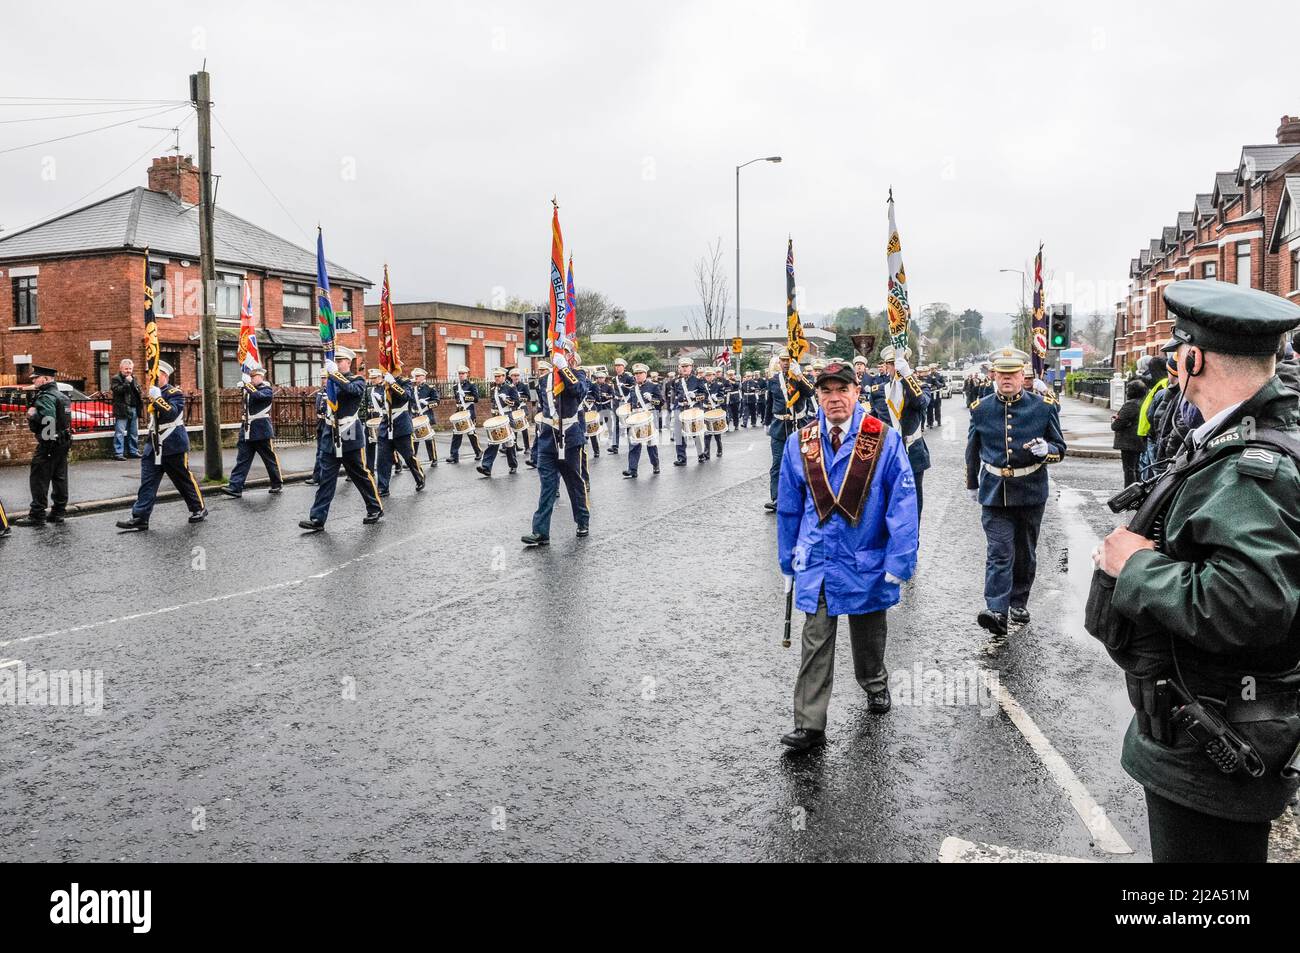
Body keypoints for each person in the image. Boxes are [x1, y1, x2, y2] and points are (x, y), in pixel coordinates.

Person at [1093, 279, 1300, 863]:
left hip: (1214, 742)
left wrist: (1133, 565)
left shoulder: (1253, 467)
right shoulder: (1236, 441)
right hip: (1203, 729)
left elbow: (1248, 604)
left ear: (1191, 358)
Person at [776, 361, 920, 751]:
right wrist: (787, 561)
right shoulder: (799, 442)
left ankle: (874, 683)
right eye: (826, 391)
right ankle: (809, 724)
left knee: (869, 633)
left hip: (865, 558)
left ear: (857, 392)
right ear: (818, 396)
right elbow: (789, 507)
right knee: (815, 638)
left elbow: (903, 503)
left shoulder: (883, 439)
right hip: (818, 561)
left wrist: (899, 561)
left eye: (843, 390)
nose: (834, 398)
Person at [965, 347, 1065, 635]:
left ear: (1023, 375)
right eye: (1002, 374)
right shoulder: (981, 409)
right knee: (999, 551)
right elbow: (972, 451)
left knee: (1024, 552)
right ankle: (996, 609)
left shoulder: (1043, 407)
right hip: (995, 491)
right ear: (994, 375)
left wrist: (1048, 450)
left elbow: (1060, 448)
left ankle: (1018, 601)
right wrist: (972, 483)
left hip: (1030, 490)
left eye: (1013, 374)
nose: (1007, 378)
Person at [299, 346, 384, 531]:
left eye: (340, 361)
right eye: (334, 361)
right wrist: (332, 376)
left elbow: (352, 390)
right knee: (326, 478)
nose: (337, 364)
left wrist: (334, 374)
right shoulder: (330, 382)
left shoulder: (358, 379)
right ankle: (317, 519)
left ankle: (375, 508)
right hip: (331, 432)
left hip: (349, 431)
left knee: (360, 474)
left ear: (349, 362)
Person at [115, 360, 207, 531]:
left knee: (183, 480)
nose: (152, 379)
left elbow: (172, 413)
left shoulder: (175, 393)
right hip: (154, 445)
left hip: (173, 443)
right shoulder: (153, 392)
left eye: (155, 376)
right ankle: (140, 517)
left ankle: (198, 508)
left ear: (164, 376)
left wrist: (157, 399)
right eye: (151, 376)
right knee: (147, 482)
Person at [522, 354, 590, 545]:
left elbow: (579, 391)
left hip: (570, 436)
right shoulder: (543, 380)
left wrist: (564, 370)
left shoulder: (578, 375)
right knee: (547, 486)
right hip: (548, 439)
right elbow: (543, 409)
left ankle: (582, 521)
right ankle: (540, 531)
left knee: (575, 482)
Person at [14, 364, 72, 527]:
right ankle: (58, 512)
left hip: (49, 443)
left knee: (39, 478)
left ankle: (37, 515)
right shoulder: (62, 396)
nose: (33, 380)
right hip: (63, 441)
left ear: (46, 379)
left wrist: (33, 415)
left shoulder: (46, 396)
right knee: (60, 477)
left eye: (36, 378)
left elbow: (49, 422)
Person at [880, 345, 931, 519]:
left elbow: (921, 403)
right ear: (886, 366)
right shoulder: (879, 391)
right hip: (886, 454)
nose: (894, 367)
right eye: (891, 364)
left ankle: (912, 542)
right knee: (887, 503)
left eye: (898, 363)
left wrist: (907, 377)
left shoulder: (920, 387)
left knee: (913, 505)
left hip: (912, 452)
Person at [221, 364, 283, 499]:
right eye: (250, 376)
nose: (251, 379)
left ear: (260, 377)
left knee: (269, 459)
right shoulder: (250, 390)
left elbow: (259, 397)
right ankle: (235, 487)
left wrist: (247, 386)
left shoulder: (266, 389)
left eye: (253, 377)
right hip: (247, 429)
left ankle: (277, 483)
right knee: (242, 459)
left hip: (261, 430)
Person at [763, 349, 814, 512]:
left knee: (802, 462)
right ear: (779, 362)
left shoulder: (800, 378)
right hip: (779, 427)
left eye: (788, 360)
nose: (786, 363)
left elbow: (811, 392)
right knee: (777, 463)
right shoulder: (773, 380)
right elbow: (769, 403)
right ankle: (777, 498)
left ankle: (804, 496)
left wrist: (799, 376)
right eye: (783, 360)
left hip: (798, 426)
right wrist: (766, 422)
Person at [376, 370, 426, 496]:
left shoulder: (405, 382)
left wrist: (393, 383)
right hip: (386, 424)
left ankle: (419, 477)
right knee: (383, 459)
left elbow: (405, 397)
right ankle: (383, 487)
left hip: (401, 425)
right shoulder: (384, 383)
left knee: (408, 456)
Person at [478, 367, 519, 477]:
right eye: (495, 376)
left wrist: (506, 399)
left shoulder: (510, 388)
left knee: (509, 443)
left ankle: (513, 465)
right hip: (496, 419)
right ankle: (486, 467)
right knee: (493, 442)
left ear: (504, 377)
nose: (496, 378)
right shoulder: (493, 389)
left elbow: (516, 403)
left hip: (506, 418)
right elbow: (494, 405)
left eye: (499, 376)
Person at [622, 362, 661, 478]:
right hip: (635, 418)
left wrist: (652, 399)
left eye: (640, 373)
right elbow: (631, 404)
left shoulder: (653, 386)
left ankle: (655, 464)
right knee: (634, 443)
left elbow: (661, 402)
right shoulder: (633, 389)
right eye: (636, 373)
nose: (638, 375)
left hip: (648, 417)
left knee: (651, 443)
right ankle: (632, 470)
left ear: (645, 374)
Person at [669, 357, 709, 467]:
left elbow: (705, 395)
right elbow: (676, 395)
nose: (685, 368)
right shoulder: (676, 381)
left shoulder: (698, 380)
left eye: (687, 366)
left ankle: (701, 454)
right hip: (680, 409)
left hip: (693, 409)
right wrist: (674, 407)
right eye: (683, 366)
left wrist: (695, 396)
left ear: (691, 367)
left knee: (696, 432)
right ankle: (681, 458)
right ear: (679, 368)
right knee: (678, 433)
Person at [1110, 378, 1148, 487]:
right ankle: (1138, 490)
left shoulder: (1130, 405)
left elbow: (1116, 425)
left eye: (1128, 389)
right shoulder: (1143, 402)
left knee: (1129, 470)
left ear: (1133, 391)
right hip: (1139, 440)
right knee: (1136, 468)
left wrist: (1118, 420)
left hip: (1129, 442)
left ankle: (1130, 492)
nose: (1126, 391)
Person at [448, 365, 482, 463]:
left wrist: (466, 396)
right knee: (456, 434)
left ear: (467, 374)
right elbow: (457, 400)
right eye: (460, 374)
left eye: (463, 374)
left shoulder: (471, 385)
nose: (461, 375)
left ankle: (478, 451)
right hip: (459, 412)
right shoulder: (455, 386)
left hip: (469, 412)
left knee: (471, 433)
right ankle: (454, 455)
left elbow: (476, 399)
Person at [109, 358, 142, 460]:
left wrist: (133, 383)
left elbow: (138, 391)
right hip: (122, 408)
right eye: (126, 369)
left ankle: (133, 451)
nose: (128, 371)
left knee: (133, 432)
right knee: (120, 431)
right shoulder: (116, 378)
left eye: (130, 369)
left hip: (133, 407)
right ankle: (118, 453)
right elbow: (117, 390)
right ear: (121, 368)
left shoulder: (133, 378)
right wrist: (127, 383)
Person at [411, 367, 440, 466]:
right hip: (415, 416)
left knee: (428, 438)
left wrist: (427, 403)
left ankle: (433, 459)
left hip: (426, 416)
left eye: (418, 376)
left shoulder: (430, 388)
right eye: (416, 376)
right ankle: (413, 459)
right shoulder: (412, 388)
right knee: (414, 439)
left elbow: (437, 402)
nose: (416, 378)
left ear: (424, 377)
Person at [305, 369, 330, 486]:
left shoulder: (333, 392)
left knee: (338, 452)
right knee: (319, 451)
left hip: (330, 423)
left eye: (325, 378)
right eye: (322, 378)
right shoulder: (320, 391)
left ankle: (351, 473)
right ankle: (317, 477)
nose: (323, 380)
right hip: (321, 423)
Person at [608, 357, 633, 454]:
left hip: (626, 402)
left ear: (623, 367)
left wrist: (625, 386)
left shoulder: (629, 377)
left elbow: (634, 388)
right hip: (617, 402)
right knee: (616, 424)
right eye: (616, 366)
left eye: (619, 366)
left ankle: (632, 444)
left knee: (628, 423)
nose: (617, 368)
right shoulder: (615, 379)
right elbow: (614, 391)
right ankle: (615, 446)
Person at [702, 366, 724, 459]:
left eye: (710, 375)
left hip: (715, 409)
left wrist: (717, 399)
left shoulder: (719, 385)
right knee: (707, 432)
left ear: (714, 376)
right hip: (706, 409)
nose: (708, 377)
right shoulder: (703, 385)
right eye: (707, 376)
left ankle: (719, 449)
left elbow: (722, 398)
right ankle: (706, 452)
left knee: (717, 432)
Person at [509, 367, 531, 456]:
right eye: (514, 375)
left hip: (522, 409)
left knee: (524, 429)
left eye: (517, 375)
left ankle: (527, 447)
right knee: (513, 429)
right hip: (513, 409)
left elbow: (528, 397)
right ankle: (515, 445)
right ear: (511, 376)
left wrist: (519, 398)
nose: (516, 377)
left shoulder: (524, 385)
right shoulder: (508, 386)